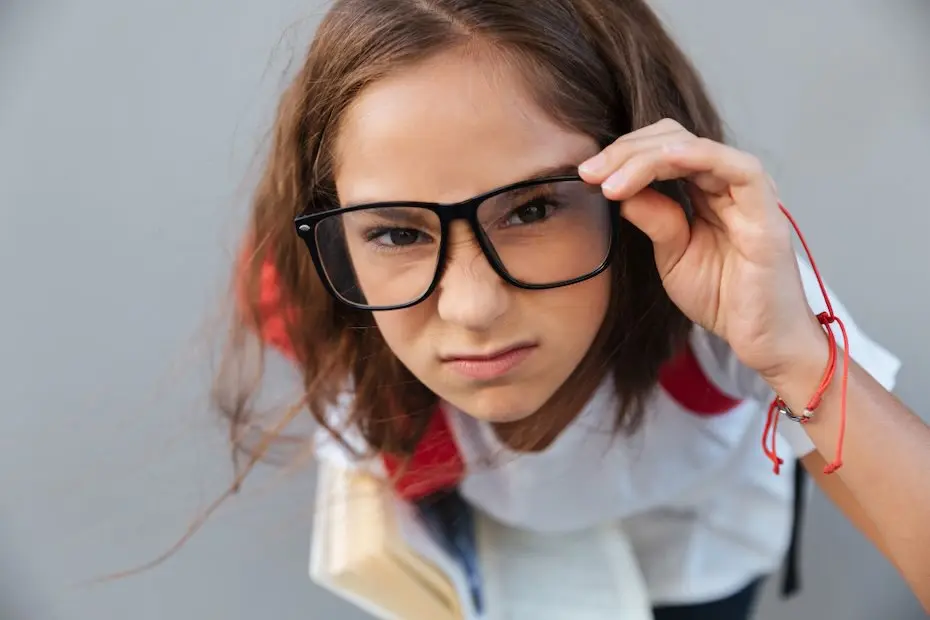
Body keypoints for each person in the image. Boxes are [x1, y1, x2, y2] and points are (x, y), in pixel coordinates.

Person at [217, 0, 930, 616]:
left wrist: (796, 358)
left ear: (639, 189)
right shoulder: (310, 294)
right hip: (498, 549)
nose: (472, 307)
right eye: (396, 232)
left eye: (532, 210)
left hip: (694, 542)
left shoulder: (729, 294)